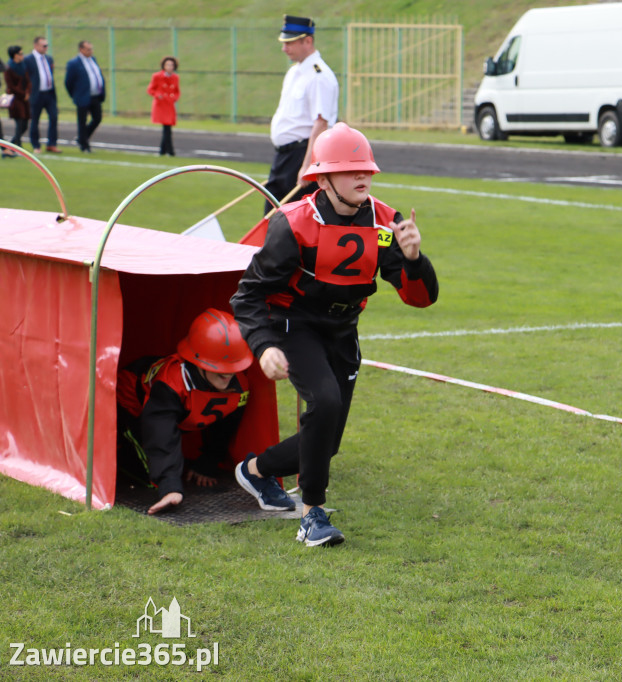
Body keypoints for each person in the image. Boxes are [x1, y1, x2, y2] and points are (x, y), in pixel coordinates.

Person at [231, 122, 439, 547]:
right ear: (323, 179)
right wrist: (264, 345)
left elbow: (420, 299)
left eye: (366, 169)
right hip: (294, 326)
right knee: (323, 402)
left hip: (343, 331)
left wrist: (415, 259)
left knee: (327, 441)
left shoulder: (387, 224)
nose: (362, 177)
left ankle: (254, 471)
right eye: (350, 171)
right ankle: (312, 515)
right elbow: (247, 295)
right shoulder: (291, 225)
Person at [115, 309, 270, 515]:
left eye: (233, 366)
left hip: (182, 417)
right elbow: (160, 434)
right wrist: (170, 487)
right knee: (146, 476)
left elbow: (225, 426)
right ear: (198, 361)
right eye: (219, 367)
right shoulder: (171, 384)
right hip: (129, 408)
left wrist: (207, 463)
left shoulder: (240, 385)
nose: (228, 374)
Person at [264, 14, 339, 214]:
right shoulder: (294, 72)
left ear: (308, 41)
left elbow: (321, 124)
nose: (284, 48)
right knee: (272, 218)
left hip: (301, 155)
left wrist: (308, 166)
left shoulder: (319, 75)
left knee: (289, 221)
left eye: (290, 43)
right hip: (284, 156)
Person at [64, 40, 105, 153]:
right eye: (88, 49)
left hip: (95, 95)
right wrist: (75, 95)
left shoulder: (93, 59)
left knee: (97, 118)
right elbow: (68, 82)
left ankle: (82, 138)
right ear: (81, 49)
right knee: (82, 121)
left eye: (91, 49)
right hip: (82, 97)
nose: (90, 51)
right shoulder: (73, 63)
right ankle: (85, 146)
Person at [23, 36, 59, 153]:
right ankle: (36, 145)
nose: (46, 48)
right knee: (35, 120)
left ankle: (51, 144)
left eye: (46, 45)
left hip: (49, 93)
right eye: (44, 46)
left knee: (54, 117)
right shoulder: (28, 59)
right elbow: (25, 77)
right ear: (36, 46)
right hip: (36, 94)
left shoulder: (48, 58)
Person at [147, 56, 179, 156]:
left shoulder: (175, 77)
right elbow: (150, 90)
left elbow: (177, 91)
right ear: (164, 66)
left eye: (172, 65)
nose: (170, 67)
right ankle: (170, 151)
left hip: (169, 105)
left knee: (167, 128)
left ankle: (163, 151)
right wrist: (158, 95)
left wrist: (174, 98)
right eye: (168, 65)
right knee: (167, 129)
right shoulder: (157, 76)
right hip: (161, 105)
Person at [3, 46, 31, 157]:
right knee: (19, 122)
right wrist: (23, 94)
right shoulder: (8, 68)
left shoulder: (24, 66)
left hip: (25, 98)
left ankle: (11, 145)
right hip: (15, 99)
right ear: (15, 55)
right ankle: (18, 146)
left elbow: (29, 80)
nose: (22, 55)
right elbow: (10, 85)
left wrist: (28, 92)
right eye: (20, 53)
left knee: (24, 124)